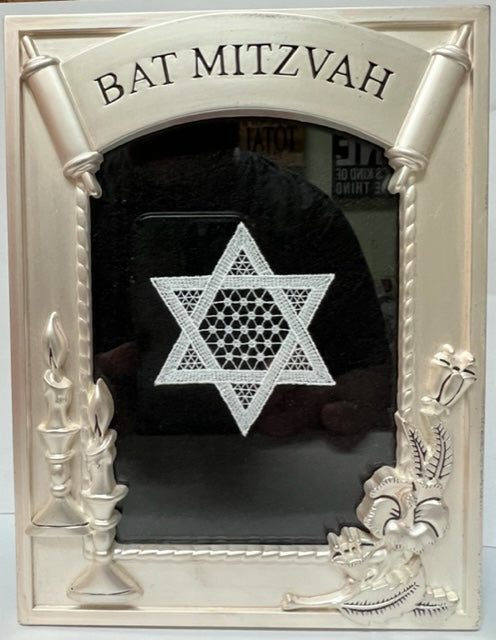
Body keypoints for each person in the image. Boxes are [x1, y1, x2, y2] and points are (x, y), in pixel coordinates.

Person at [92, 119, 393, 439]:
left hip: (277, 452)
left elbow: (370, 373)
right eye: (162, 193)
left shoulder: (303, 214)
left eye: (205, 185)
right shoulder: (83, 206)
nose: (185, 198)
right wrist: (79, 384)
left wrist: (315, 403)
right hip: (107, 450)